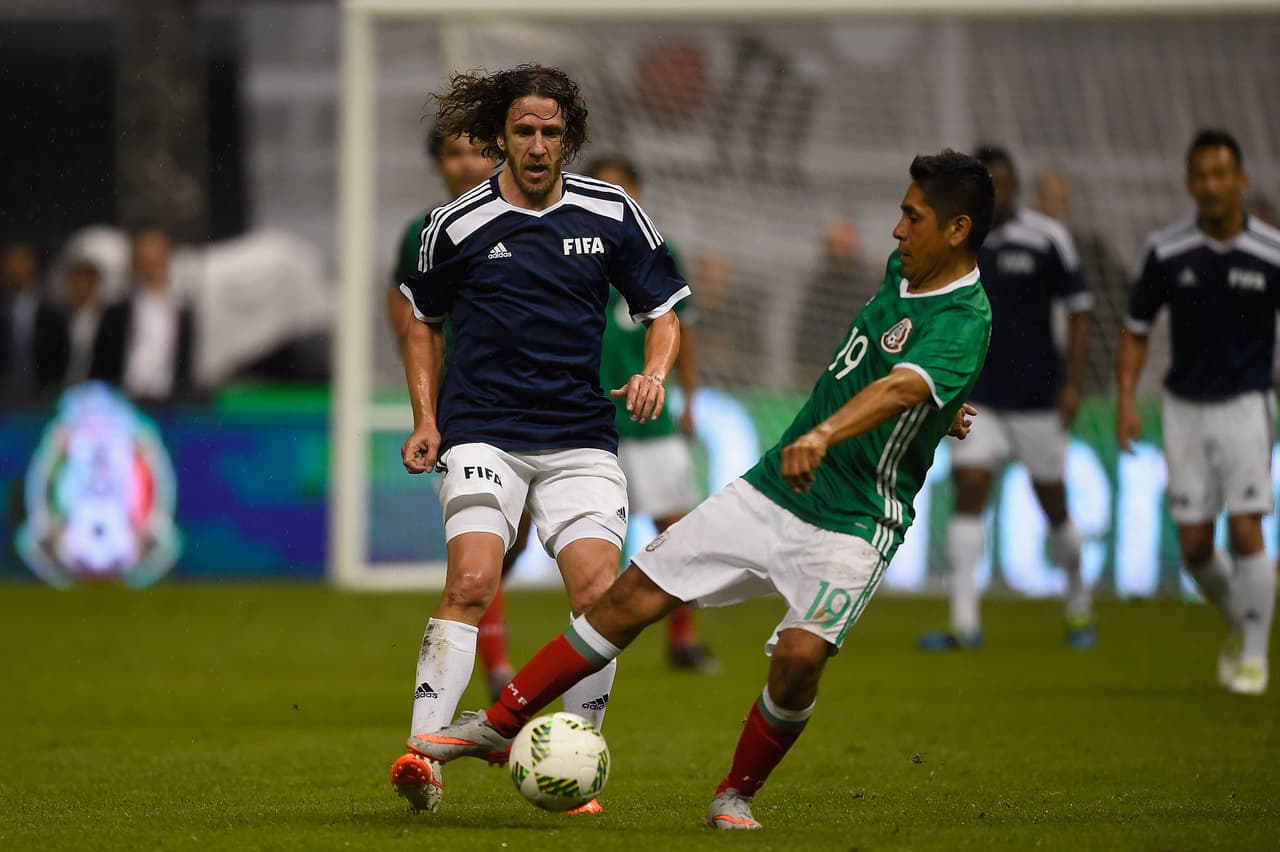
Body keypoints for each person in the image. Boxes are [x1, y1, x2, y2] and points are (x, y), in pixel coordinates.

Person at [404, 150, 993, 830]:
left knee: (800, 659)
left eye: (912, 217)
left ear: (956, 230)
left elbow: (900, 384)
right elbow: (899, 369)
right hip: (773, 488)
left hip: (856, 520)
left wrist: (837, 430)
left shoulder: (968, 317)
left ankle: (734, 794)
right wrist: (939, 403)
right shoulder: (905, 272)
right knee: (628, 596)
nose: (896, 230)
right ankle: (499, 723)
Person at [388, 64, 689, 815]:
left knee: (599, 591)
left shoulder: (613, 213)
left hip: (581, 438)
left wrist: (656, 369)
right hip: (483, 433)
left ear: (569, 139)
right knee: (472, 580)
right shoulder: (454, 225)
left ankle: (573, 760)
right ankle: (423, 758)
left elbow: (665, 312)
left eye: (551, 131)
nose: (536, 143)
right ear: (501, 136)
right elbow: (420, 323)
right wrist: (426, 418)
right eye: (523, 130)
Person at [1117, 128, 1280, 696]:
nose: (1211, 186)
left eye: (1221, 175)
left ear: (1241, 180)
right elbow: (1136, 329)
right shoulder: (1166, 250)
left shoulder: (1271, 252)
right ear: (1189, 183)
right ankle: (1243, 618)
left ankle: (1255, 658)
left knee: (1247, 527)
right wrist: (1125, 401)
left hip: (1246, 405)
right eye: (1201, 176)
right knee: (1192, 545)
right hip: (1184, 407)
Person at [918, 145, 1095, 652]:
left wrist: (1074, 383)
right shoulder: (958, 243)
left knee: (1053, 504)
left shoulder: (1048, 239)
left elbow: (1080, 311)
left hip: (1039, 397)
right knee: (970, 490)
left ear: (1015, 187)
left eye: (1003, 184)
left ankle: (1079, 606)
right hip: (982, 398)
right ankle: (963, 623)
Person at [387, 123, 522, 702]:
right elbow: (410, 315)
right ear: (438, 164)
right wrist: (428, 401)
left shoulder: (529, 218)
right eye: (452, 153)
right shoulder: (426, 231)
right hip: (469, 408)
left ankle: (486, 645)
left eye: (476, 150)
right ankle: (495, 663)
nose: (465, 164)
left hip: (540, 405)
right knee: (482, 542)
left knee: (509, 546)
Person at [587, 154, 720, 674]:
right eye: (604, 189)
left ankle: (682, 640)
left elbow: (680, 330)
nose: (615, 198)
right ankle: (598, 643)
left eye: (623, 188)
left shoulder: (661, 251)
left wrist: (689, 400)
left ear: (638, 191)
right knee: (597, 541)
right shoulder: (569, 250)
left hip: (655, 414)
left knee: (675, 533)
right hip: (595, 421)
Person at [1034, 168, 1131, 397]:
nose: (1055, 205)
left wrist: (1107, 342)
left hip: (1084, 366)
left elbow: (1124, 292)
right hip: (1035, 363)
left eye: (1060, 198)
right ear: (1036, 201)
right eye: (1048, 197)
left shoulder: (1090, 249)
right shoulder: (1020, 248)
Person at [89, 228, 195, 402]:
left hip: (169, 404)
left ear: (167, 260)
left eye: (155, 261)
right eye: (144, 262)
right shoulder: (115, 313)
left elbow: (185, 366)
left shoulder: (182, 312)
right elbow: (99, 367)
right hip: (123, 403)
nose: (150, 269)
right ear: (134, 264)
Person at [793, 218, 879, 382]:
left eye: (844, 242)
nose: (839, 247)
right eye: (835, 242)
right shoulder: (816, 286)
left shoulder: (868, 286)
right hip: (816, 371)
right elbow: (804, 334)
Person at [0, 240, 67, 399]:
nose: (17, 271)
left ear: (33, 268)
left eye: (22, 265)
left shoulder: (51, 310)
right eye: (12, 266)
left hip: (42, 391)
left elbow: (61, 351)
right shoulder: (3, 306)